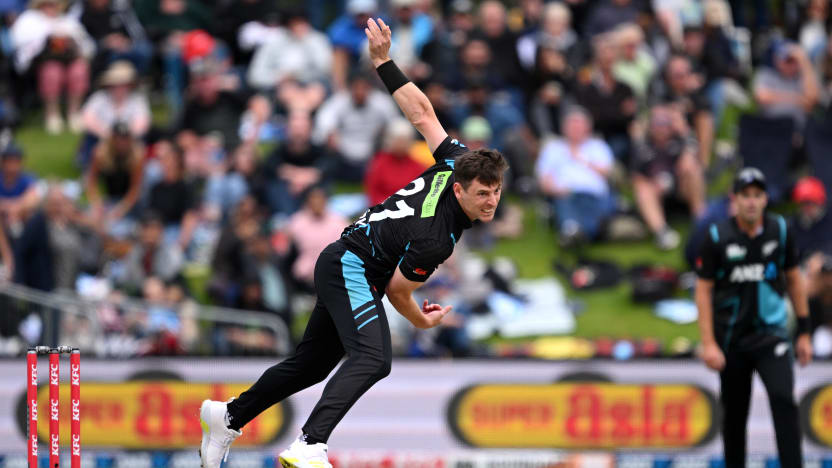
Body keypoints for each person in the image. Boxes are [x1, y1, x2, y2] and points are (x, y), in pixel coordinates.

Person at [198, 17, 509, 468]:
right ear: (459, 189)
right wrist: (421, 320)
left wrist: (384, 62)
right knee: (374, 358)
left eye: (496, 191)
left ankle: (227, 416)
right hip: (352, 266)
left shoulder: (457, 162)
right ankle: (309, 443)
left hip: (344, 262)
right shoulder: (436, 239)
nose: (492, 201)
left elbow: (423, 114)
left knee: (312, 364)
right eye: (482, 194)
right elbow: (398, 292)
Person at [695, 167, 812, 468]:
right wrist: (708, 343)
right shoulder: (717, 237)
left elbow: (794, 280)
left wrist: (804, 331)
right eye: (745, 195)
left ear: (765, 199)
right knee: (734, 417)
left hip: (771, 335)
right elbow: (703, 290)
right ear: (734, 199)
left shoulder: (779, 231)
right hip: (731, 339)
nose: (751, 202)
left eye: (757, 195)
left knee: (784, 400)